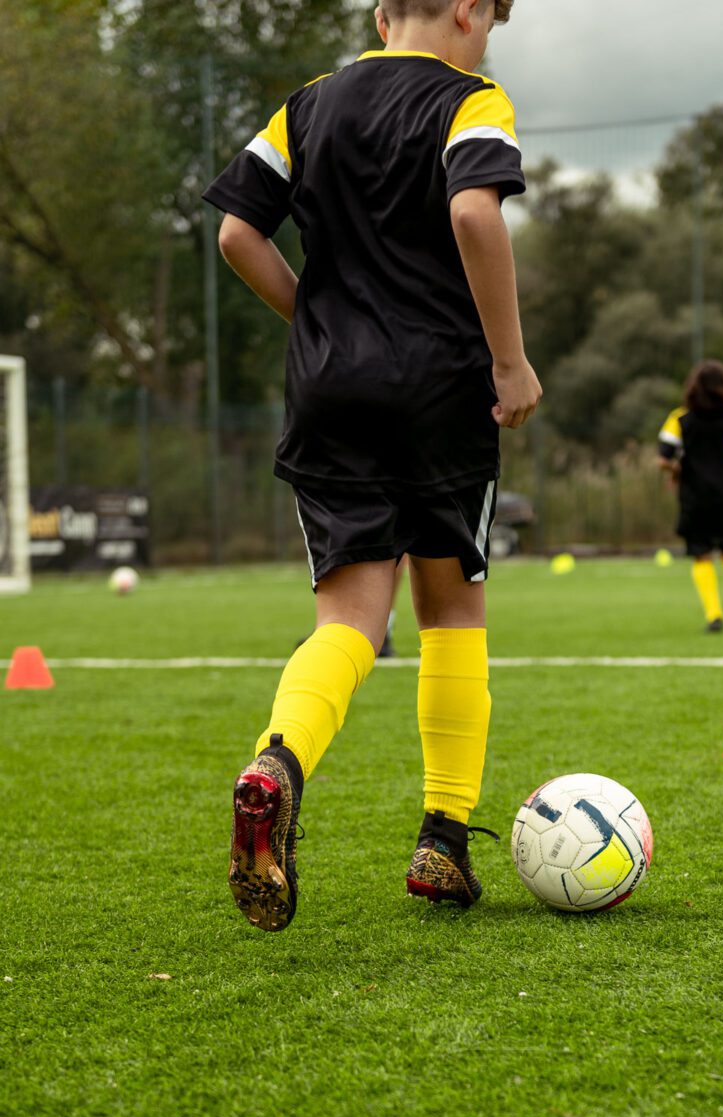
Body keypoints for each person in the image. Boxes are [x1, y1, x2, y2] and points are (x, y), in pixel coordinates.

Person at [202, 0, 541, 932]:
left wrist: (317, 323)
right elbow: (475, 209)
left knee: (350, 622)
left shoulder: (307, 105)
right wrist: (509, 361)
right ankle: (443, 840)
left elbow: (237, 233)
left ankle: (278, 761)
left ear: (383, 12)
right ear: (469, 10)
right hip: (441, 390)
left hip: (331, 394)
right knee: (452, 612)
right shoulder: (473, 99)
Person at [658, 361, 723, 633]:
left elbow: (663, 456)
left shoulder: (680, 418)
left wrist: (675, 468)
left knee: (701, 555)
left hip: (695, 498)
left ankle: (714, 616)